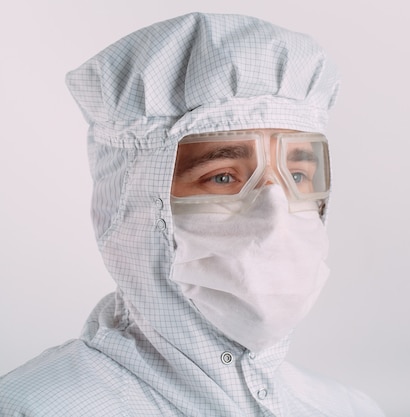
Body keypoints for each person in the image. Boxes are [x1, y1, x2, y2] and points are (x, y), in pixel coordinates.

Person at [0, 12, 385, 417]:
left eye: (296, 174)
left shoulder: (346, 408)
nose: (276, 211)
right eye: (222, 176)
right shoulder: (36, 408)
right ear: (134, 204)